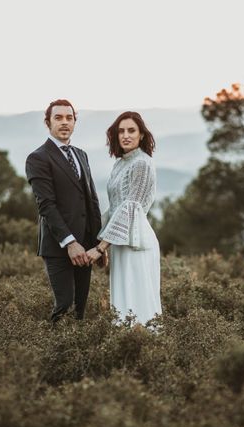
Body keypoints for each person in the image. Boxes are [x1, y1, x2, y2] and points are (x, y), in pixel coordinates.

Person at [25, 99, 103, 323]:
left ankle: (75, 357)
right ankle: (53, 355)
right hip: (59, 247)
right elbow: (46, 206)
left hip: (87, 246)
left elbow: (92, 201)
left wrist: (98, 243)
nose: (64, 122)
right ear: (47, 122)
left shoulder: (81, 154)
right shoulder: (38, 158)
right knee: (64, 306)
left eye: (69, 118)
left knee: (79, 310)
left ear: (75, 122)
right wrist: (70, 243)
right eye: (58, 118)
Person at [86, 111, 162, 324]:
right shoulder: (121, 163)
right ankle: (126, 350)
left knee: (138, 303)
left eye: (131, 130)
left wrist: (101, 248)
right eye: (121, 131)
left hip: (136, 243)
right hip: (119, 241)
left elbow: (129, 210)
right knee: (122, 305)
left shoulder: (142, 164)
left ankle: (148, 350)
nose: (126, 135)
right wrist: (98, 240)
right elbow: (114, 209)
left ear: (142, 135)